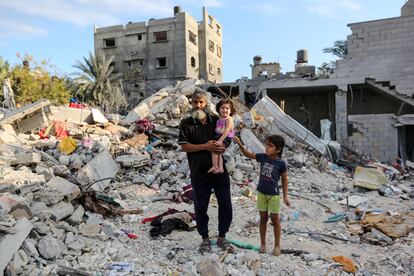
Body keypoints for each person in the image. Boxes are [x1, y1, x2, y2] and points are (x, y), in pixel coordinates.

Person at [178, 90, 235, 254]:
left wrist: (222, 146)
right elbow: (184, 146)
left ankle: (222, 236)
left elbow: (229, 134)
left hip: (219, 172)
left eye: (201, 102)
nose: (198, 105)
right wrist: (206, 146)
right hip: (199, 172)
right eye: (195, 102)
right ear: (192, 103)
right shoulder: (186, 123)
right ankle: (205, 239)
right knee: (201, 207)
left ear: (206, 103)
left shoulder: (217, 120)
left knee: (225, 204)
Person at [233, 135, 290, 256]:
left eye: (270, 146)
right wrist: (240, 145)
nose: (267, 148)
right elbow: (248, 154)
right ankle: (263, 244)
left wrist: (285, 196)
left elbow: (285, 180)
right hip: (261, 193)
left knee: (275, 221)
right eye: (267, 144)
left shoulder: (281, 163)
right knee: (263, 219)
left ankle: (277, 245)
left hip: (273, 195)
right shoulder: (263, 157)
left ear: (278, 149)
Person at [208, 99, 235, 174]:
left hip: (225, 138)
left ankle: (216, 166)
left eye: (227, 108)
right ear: (219, 109)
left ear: (231, 111)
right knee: (219, 153)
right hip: (219, 137)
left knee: (215, 151)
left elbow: (227, 130)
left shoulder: (229, 119)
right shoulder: (219, 119)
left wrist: (220, 140)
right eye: (222, 108)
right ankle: (220, 168)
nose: (224, 110)